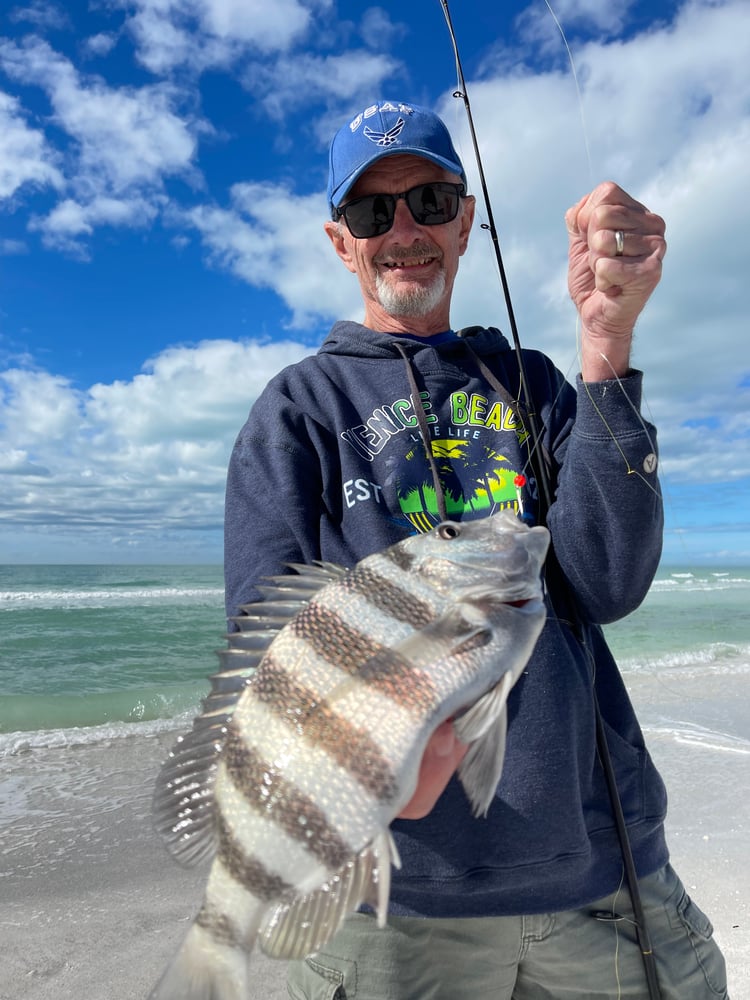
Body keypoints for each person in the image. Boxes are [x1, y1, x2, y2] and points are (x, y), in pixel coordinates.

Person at [223, 101, 728, 999]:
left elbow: (609, 582)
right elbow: (272, 651)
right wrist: (367, 774)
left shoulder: (533, 385)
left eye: (429, 199)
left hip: (602, 868)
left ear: (466, 222)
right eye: (374, 212)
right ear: (342, 242)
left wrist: (605, 346)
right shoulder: (296, 414)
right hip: (396, 902)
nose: (404, 230)